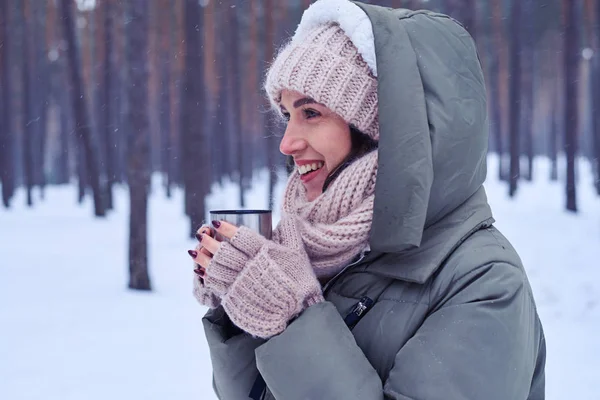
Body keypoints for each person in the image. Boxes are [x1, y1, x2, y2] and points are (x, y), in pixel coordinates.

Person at [187, 0, 546, 399]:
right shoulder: (324, 252)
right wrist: (244, 306)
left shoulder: (484, 281)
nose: (287, 143)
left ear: (383, 128)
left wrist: (293, 321)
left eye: (310, 113)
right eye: (286, 115)